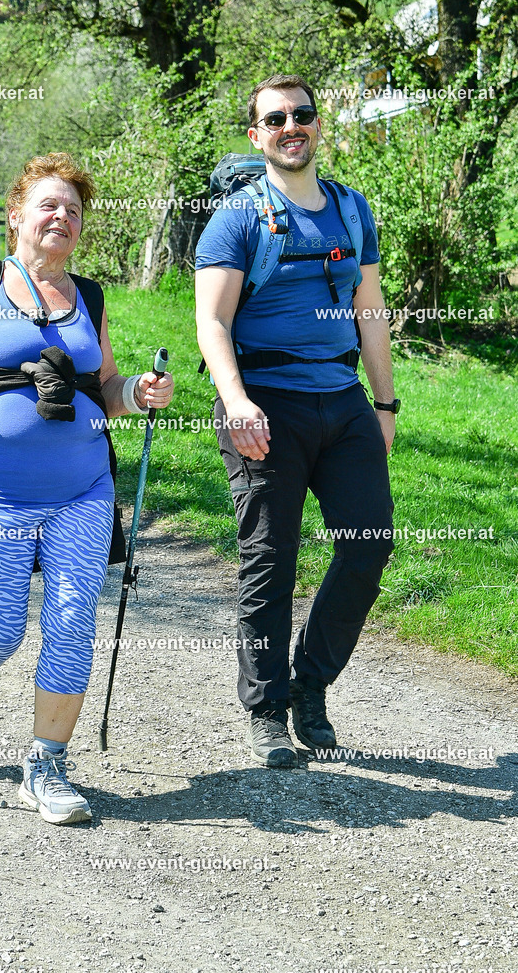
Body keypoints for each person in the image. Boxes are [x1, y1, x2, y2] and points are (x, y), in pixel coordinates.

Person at [0, 152, 173, 824]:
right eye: (49, 205)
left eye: (74, 210)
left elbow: (107, 389)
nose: (62, 217)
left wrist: (137, 393)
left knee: (70, 622)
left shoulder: (88, 295)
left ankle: (45, 764)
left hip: (82, 488)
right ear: (17, 216)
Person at [195, 74, 396, 768]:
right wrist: (238, 398)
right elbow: (211, 321)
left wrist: (384, 403)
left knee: (368, 545)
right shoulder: (237, 218)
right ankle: (264, 709)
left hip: (340, 400)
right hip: (262, 401)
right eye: (275, 117)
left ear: (319, 125)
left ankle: (309, 684)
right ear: (256, 134)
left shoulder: (350, 208)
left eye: (302, 114)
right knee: (269, 560)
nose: (291, 125)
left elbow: (370, 313)